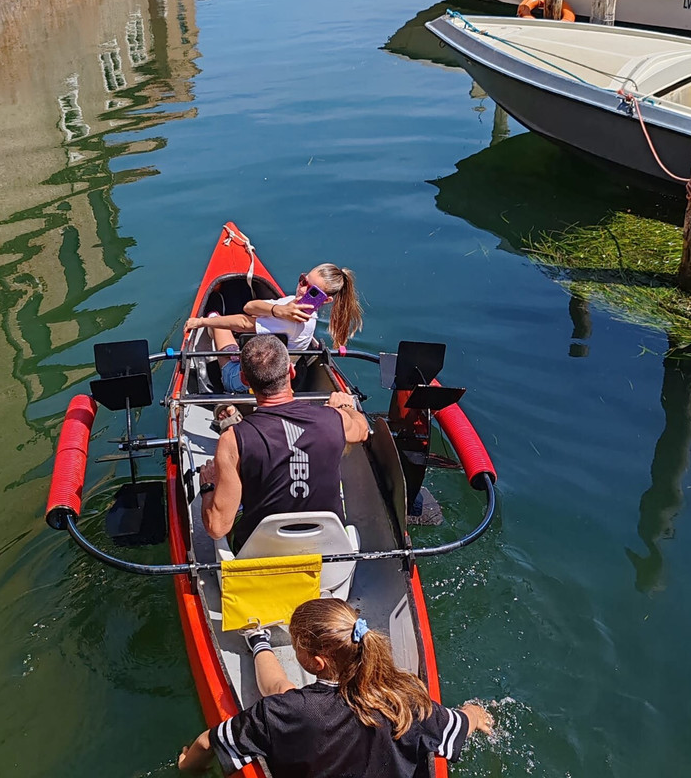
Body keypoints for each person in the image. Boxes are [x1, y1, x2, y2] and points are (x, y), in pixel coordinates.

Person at [177, 598, 493, 777]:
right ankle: (260, 643)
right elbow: (460, 725)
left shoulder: (287, 711)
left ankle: (260, 643)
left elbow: (207, 744)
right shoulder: (407, 702)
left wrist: (186, 768)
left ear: (315, 662)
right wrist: (476, 714)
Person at [199, 334, 369, 549]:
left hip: (259, 562)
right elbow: (362, 430)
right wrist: (344, 406)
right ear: (291, 370)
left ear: (244, 379)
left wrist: (208, 485)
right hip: (330, 561)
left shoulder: (232, 440)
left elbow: (217, 528)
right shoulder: (334, 419)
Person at [185, 263, 363, 394]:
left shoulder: (293, 320)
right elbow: (249, 307)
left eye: (312, 291)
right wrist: (278, 310)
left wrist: (200, 322)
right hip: (280, 378)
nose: (302, 290)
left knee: (218, 322)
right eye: (303, 281)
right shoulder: (293, 305)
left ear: (325, 300)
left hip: (245, 383)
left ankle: (212, 321)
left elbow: (243, 321)